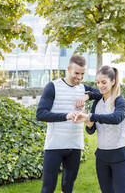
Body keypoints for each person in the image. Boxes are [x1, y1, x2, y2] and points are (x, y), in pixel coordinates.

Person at [36, 54, 101, 193]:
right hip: (54, 146)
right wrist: (66, 116)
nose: (79, 77)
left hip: (75, 145)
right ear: (68, 69)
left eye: (82, 74)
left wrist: (87, 95)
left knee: (68, 188)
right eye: (76, 73)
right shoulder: (52, 86)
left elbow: (102, 93)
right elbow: (40, 114)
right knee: (47, 188)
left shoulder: (83, 88)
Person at [74, 65, 125, 193]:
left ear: (113, 81)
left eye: (104, 82)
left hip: (120, 156)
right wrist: (88, 123)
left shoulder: (119, 101)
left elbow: (116, 118)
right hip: (102, 158)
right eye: (98, 82)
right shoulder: (97, 103)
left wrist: (90, 115)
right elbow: (92, 129)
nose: (100, 86)